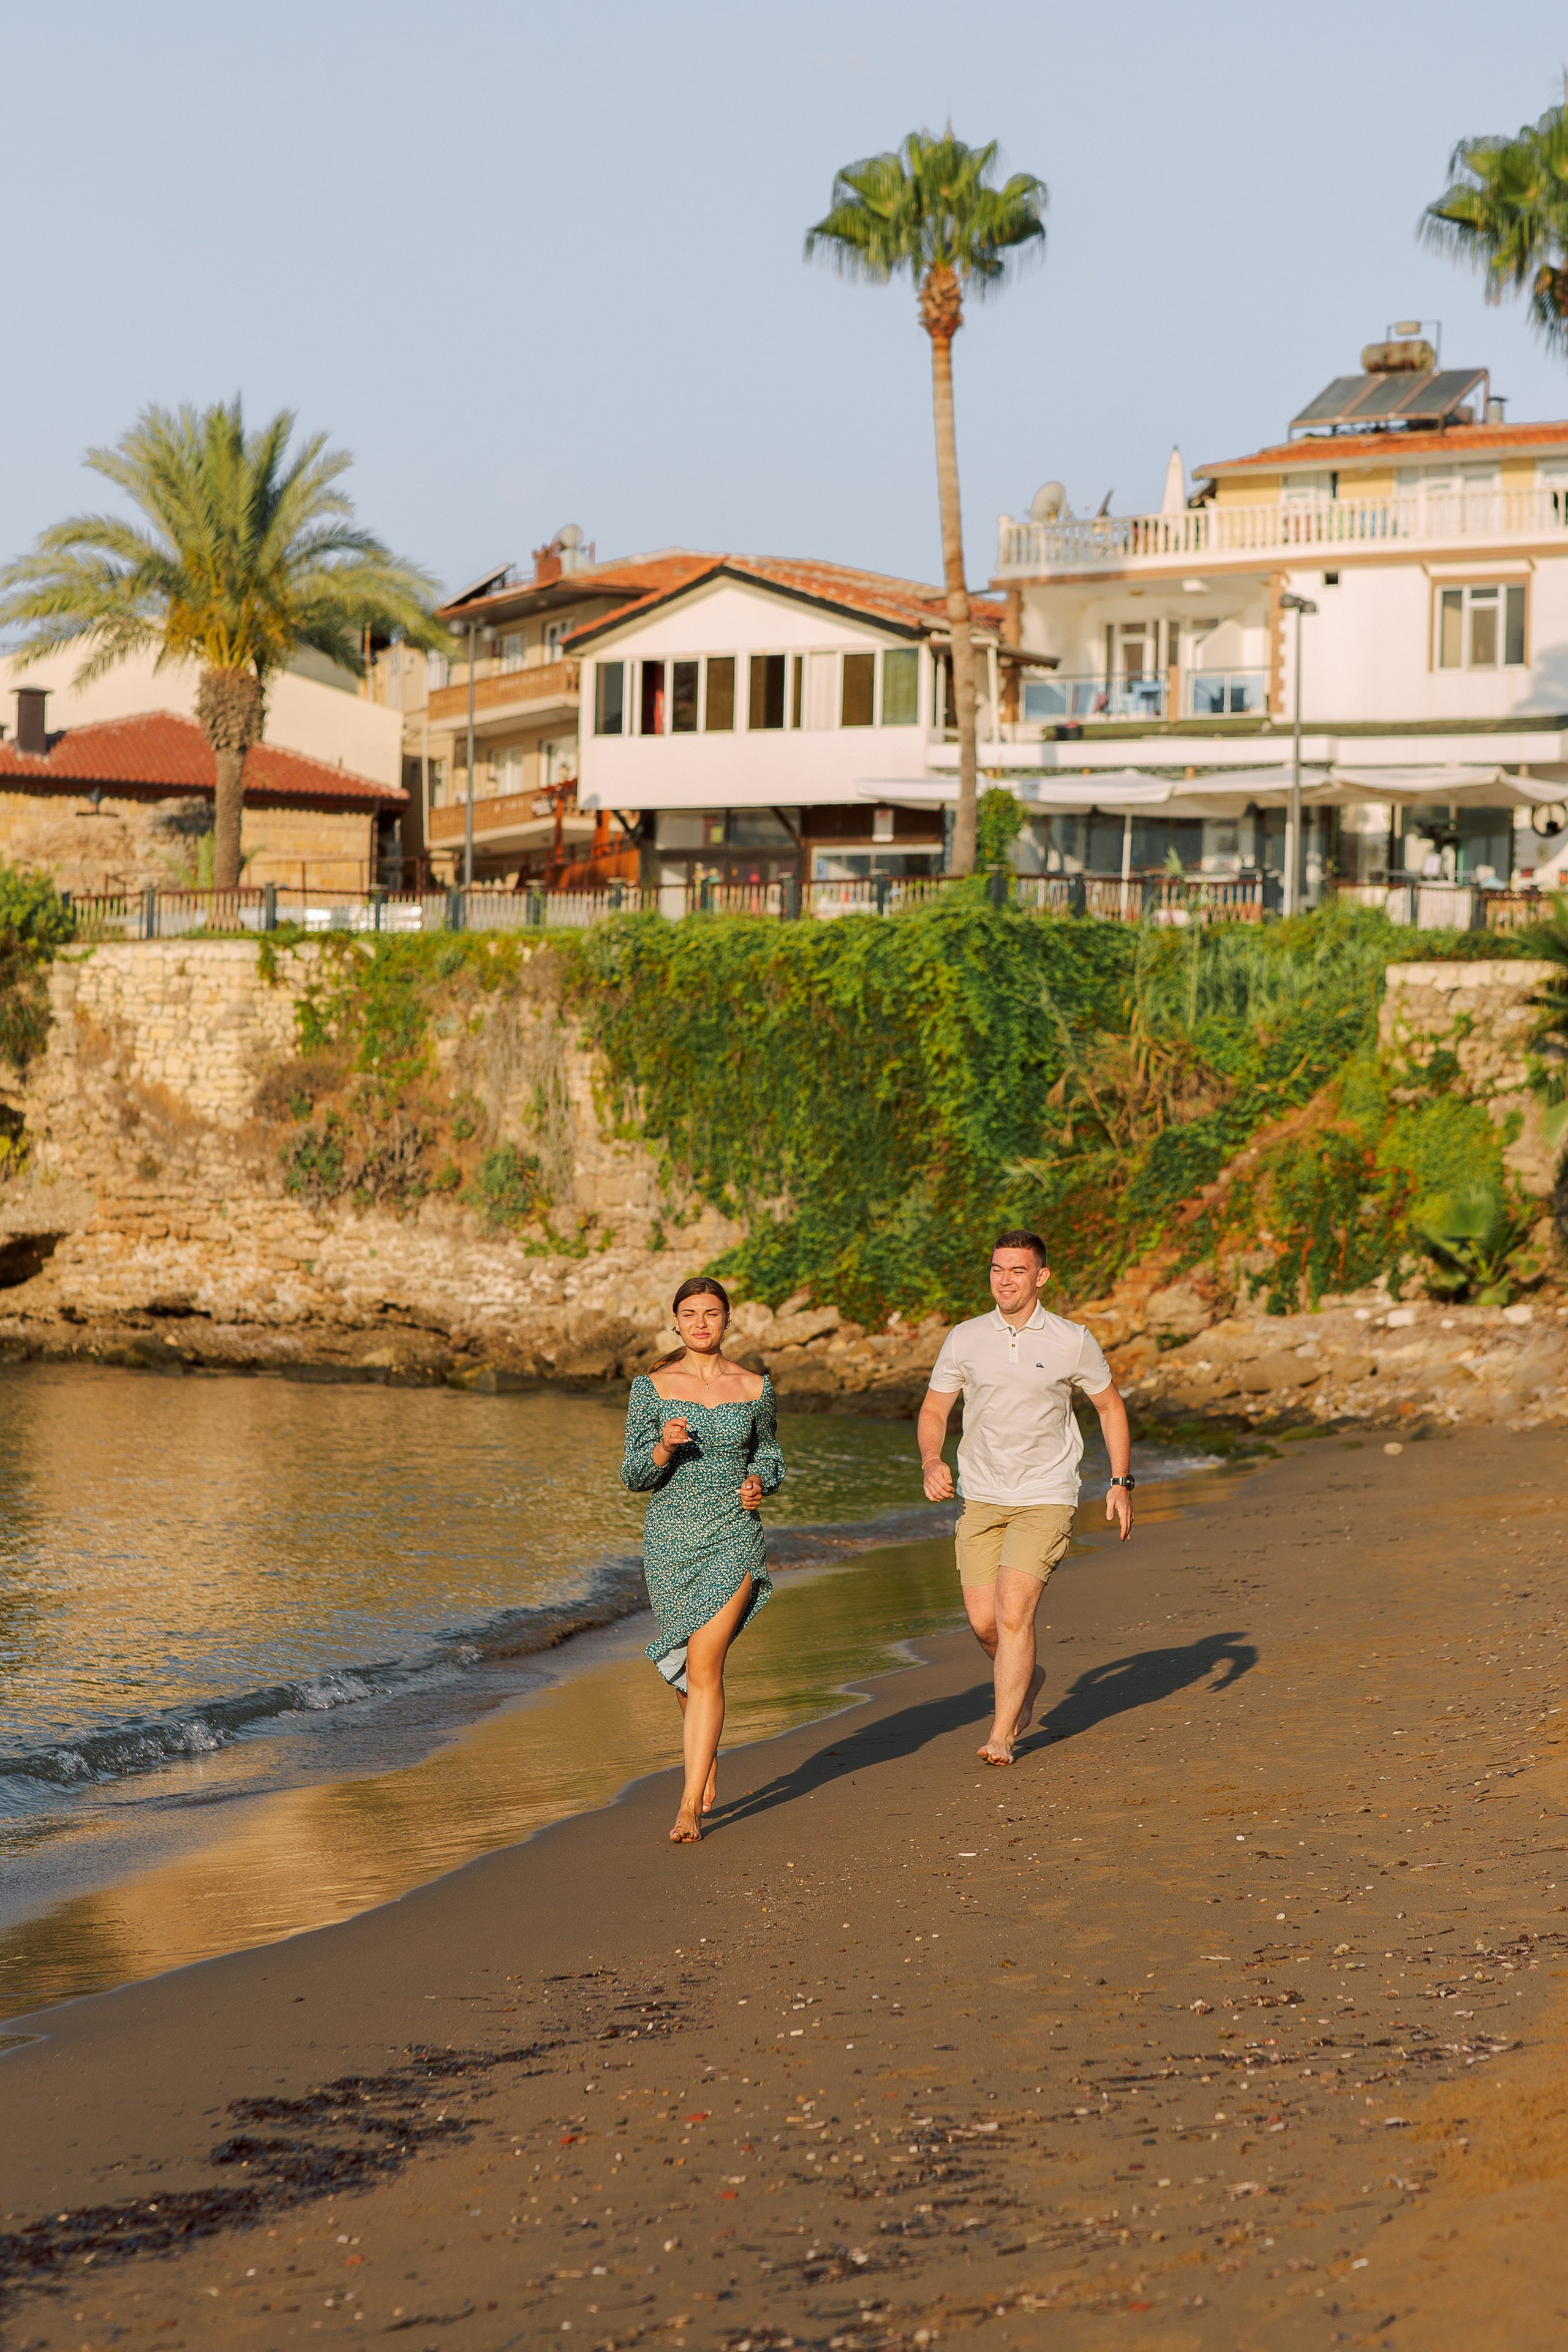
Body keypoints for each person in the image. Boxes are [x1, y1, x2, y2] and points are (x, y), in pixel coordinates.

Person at [916, 1231, 1134, 1767]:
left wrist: (1121, 1482)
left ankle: (1003, 1733)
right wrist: (931, 1459)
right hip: (981, 1496)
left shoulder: (1072, 1339)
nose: (1004, 1280)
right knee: (984, 1624)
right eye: (997, 1269)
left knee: (1014, 1614)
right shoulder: (964, 1338)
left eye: (1017, 1271)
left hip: (1046, 1494)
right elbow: (934, 1412)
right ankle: (1028, 1676)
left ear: (1041, 1277)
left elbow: (1110, 1408)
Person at [622, 1276, 783, 1842]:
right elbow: (634, 1474)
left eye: (711, 1313)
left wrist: (761, 1479)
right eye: (689, 1314)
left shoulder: (754, 1386)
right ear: (676, 1323)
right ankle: (704, 1754)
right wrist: (662, 1445)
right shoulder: (652, 1388)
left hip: (733, 1534)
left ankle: (689, 1805)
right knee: (687, 1669)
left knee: (705, 1663)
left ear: (727, 1320)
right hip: (670, 1540)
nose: (700, 1323)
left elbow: (770, 1450)